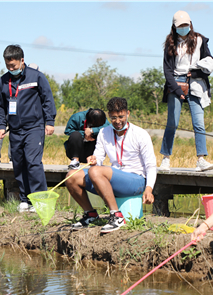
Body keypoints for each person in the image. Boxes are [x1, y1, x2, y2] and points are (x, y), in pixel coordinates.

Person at [65, 97, 157, 233]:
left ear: (128, 114)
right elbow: (99, 158)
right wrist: (94, 159)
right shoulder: (104, 132)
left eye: (121, 117)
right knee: (71, 176)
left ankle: (116, 216)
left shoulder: (141, 134)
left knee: (95, 172)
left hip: (135, 181)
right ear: (109, 116)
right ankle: (90, 214)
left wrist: (148, 189)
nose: (118, 121)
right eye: (114, 118)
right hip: (115, 179)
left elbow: (151, 165)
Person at [0, 45, 56, 213]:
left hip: (34, 128)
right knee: (19, 164)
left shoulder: (36, 77)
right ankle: (25, 199)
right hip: (15, 130)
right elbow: (0, 106)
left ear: (22, 60)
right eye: (8, 66)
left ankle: (40, 201)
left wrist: (49, 121)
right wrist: (2, 126)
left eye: (13, 65)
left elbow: (47, 100)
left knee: (33, 163)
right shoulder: (3, 81)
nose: (11, 69)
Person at [159, 10, 213, 172]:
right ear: (174, 26)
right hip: (176, 83)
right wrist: (177, 90)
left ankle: (201, 159)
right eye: (180, 26)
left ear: (190, 24)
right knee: (172, 123)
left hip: (196, 83)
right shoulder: (170, 43)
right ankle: (165, 158)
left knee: (199, 123)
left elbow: (210, 62)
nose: (183, 28)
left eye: (186, 25)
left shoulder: (200, 40)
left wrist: (197, 73)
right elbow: (167, 71)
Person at [0, 63, 40, 164]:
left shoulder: (36, 80)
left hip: (19, 114)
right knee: (0, 131)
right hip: (7, 111)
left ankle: (11, 157)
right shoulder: (12, 79)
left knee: (14, 134)